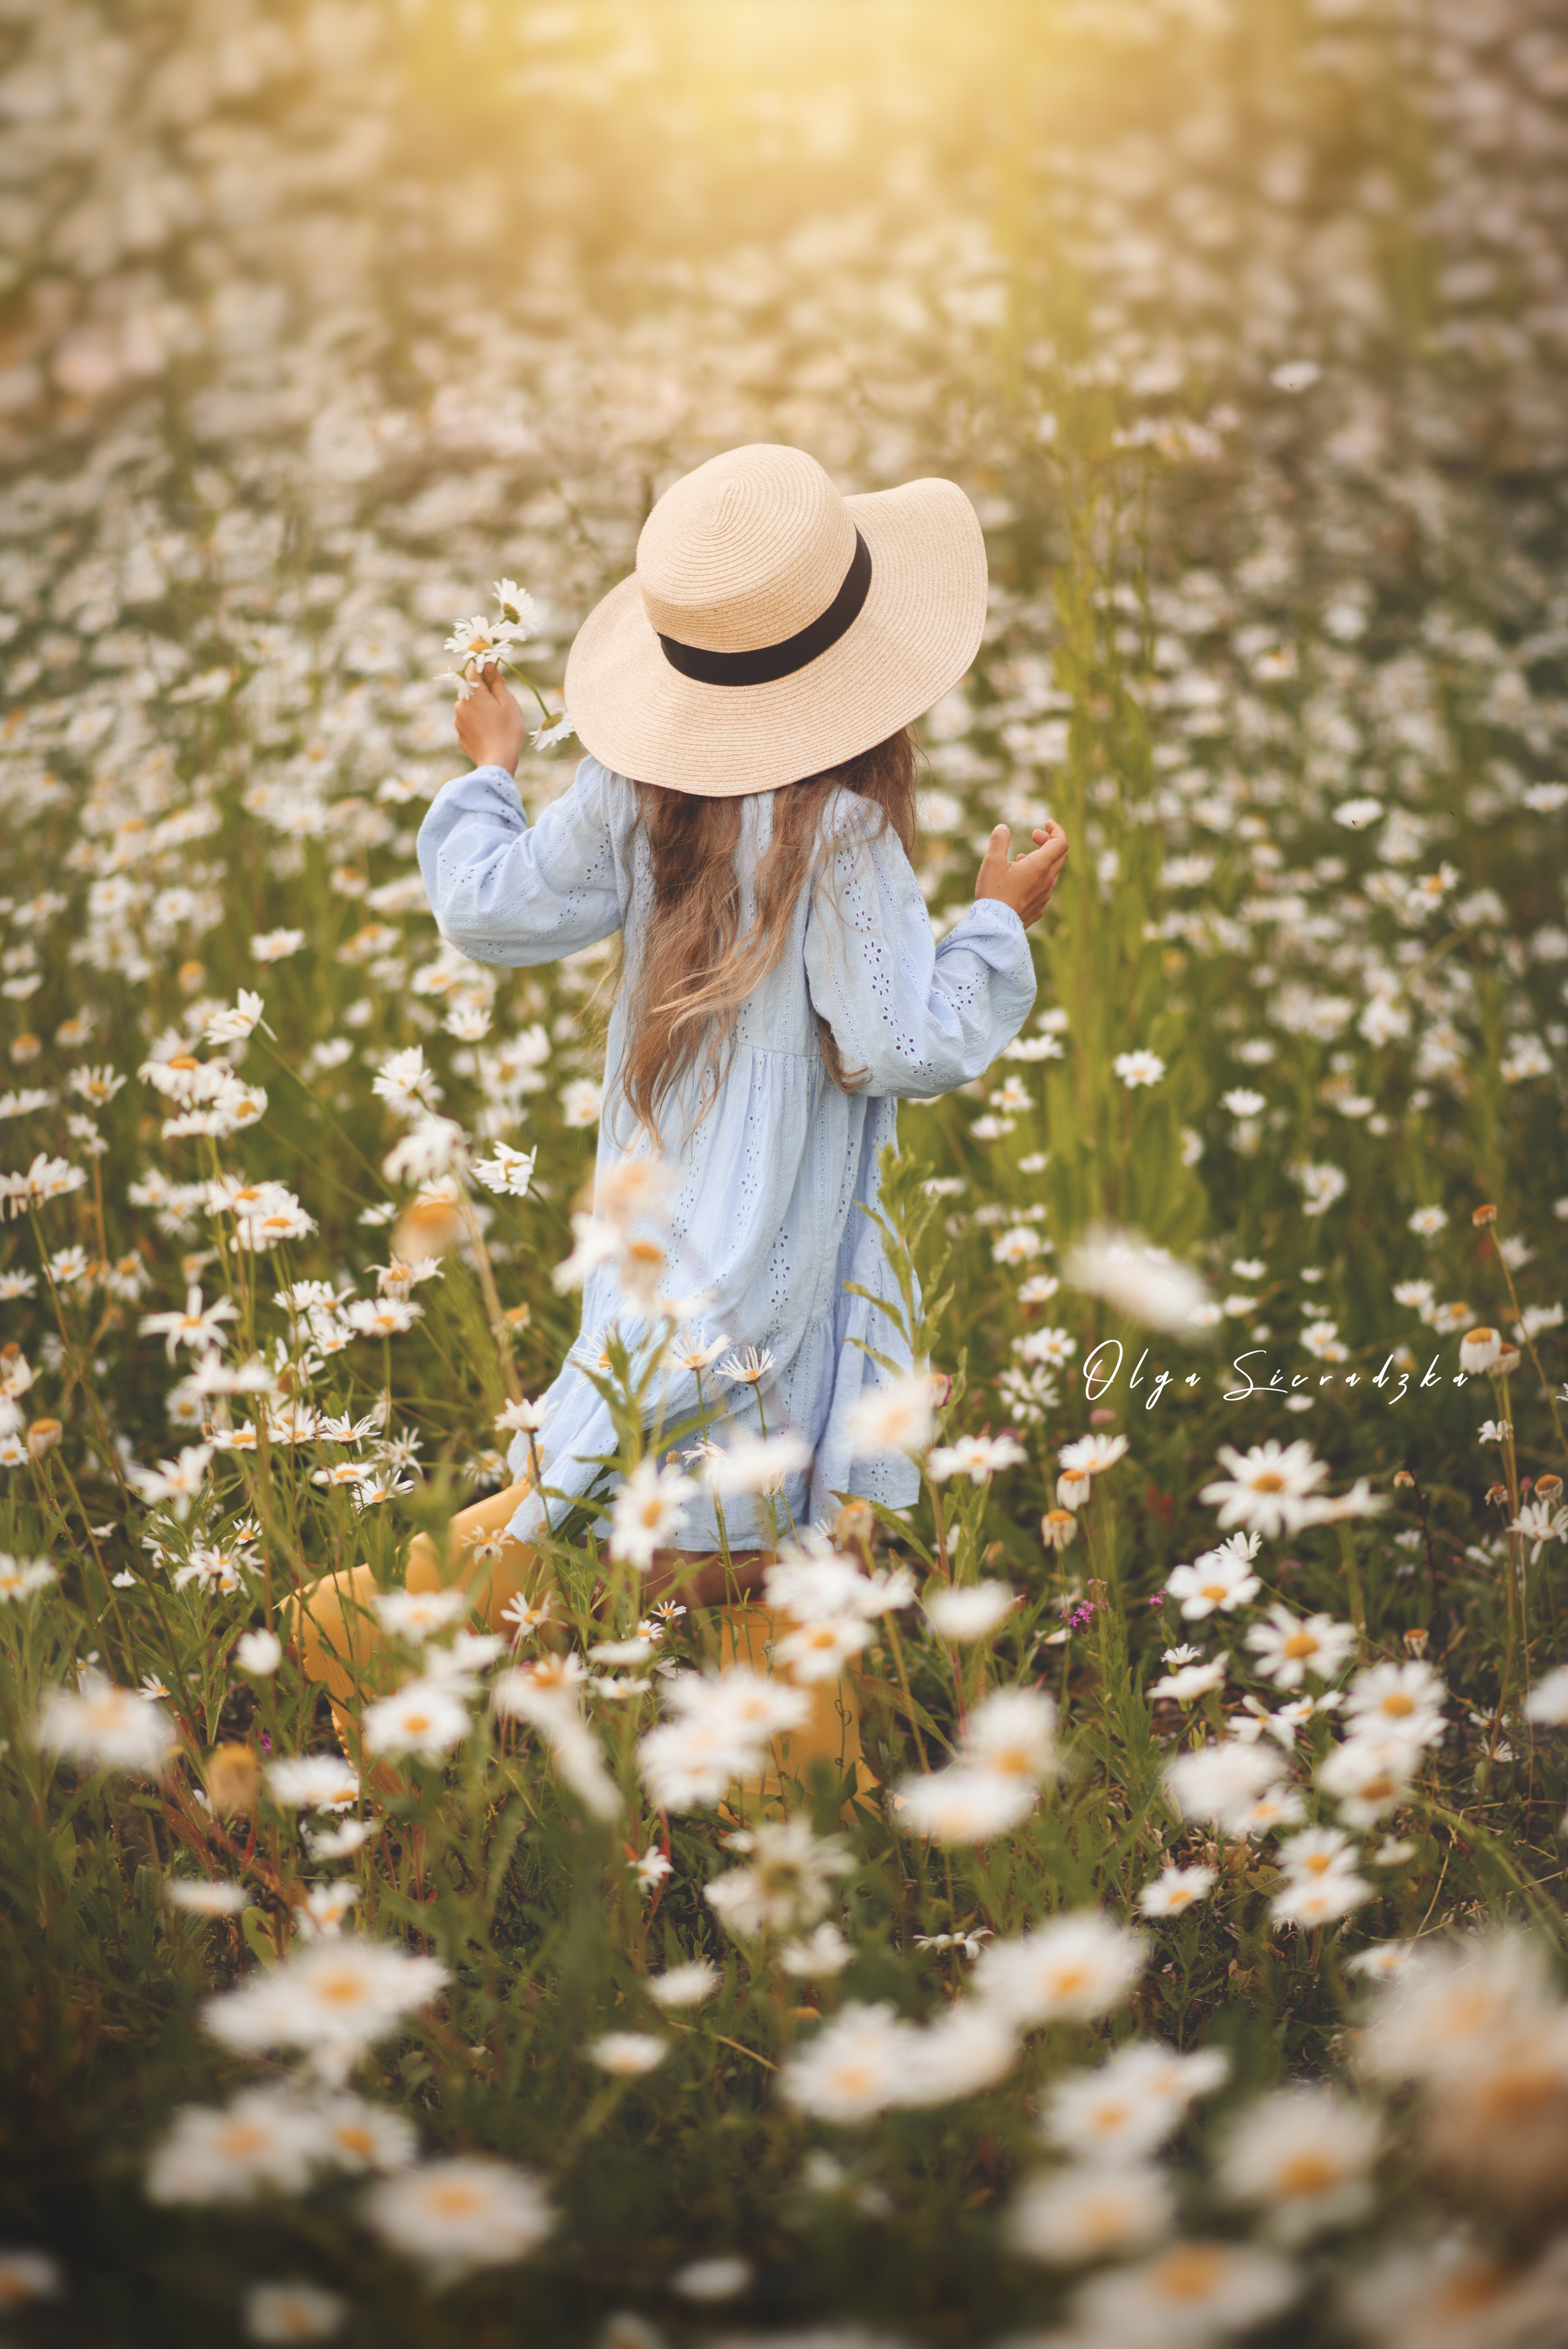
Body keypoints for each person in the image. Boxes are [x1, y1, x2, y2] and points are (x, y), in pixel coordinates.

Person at [293, 442, 1068, 1798]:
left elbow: (489, 910)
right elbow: (898, 1042)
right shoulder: (838, 833)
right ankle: (372, 1625)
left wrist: (489, 767)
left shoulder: (624, 789)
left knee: (677, 1488)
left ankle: (798, 1788)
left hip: (655, 1216)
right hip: (771, 1239)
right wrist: (996, 921)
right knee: (716, 1523)